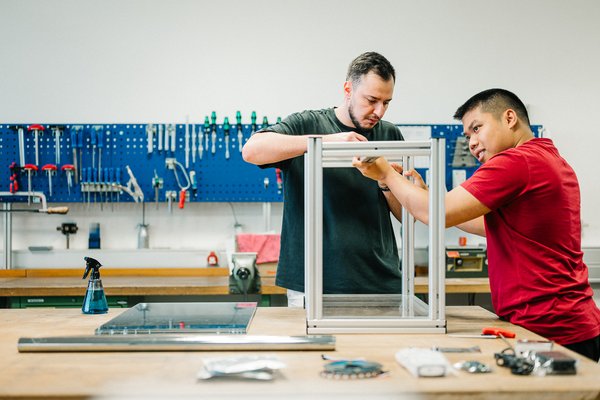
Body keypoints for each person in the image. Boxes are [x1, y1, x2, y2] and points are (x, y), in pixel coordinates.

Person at [353, 88, 600, 361]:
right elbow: (483, 222)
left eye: (477, 128)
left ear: (509, 118)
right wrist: (426, 198)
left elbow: (437, 214)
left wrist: (386, 174)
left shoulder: (516, 162)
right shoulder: (546, 157)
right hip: (567, 323)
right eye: (468, 136)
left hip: (551, 327)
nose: (471, 143)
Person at [242, 52, 404, 306]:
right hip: (313, 284)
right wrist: (326, 142)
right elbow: (251, 150)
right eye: (372, 100)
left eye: (386, 102)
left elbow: (405, 214)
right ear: (348, 89)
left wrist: (385, 180)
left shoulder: (389, 134)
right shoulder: (307, 123)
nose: (379, 111)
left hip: (380, 281)